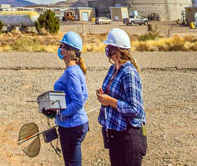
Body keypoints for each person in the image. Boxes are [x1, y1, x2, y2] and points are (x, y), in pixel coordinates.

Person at [96, 28, 147, 166]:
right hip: (115, 134)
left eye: (109, 47)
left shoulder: (129, 73)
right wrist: (102, 94)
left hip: (128, 137)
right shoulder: (112, 69)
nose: (107, 51)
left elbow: (137, 110)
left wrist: (111, 101)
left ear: (117, 51)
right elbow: (113, 94)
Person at [51, 31, 88, 166]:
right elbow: (85, 96)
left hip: (71, 126)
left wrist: (62, 114)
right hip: (78, 124)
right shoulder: (77, 69)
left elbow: (78, 101)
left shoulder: (71, 72)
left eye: (62, 46)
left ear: (68, 51)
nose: (59, 49)